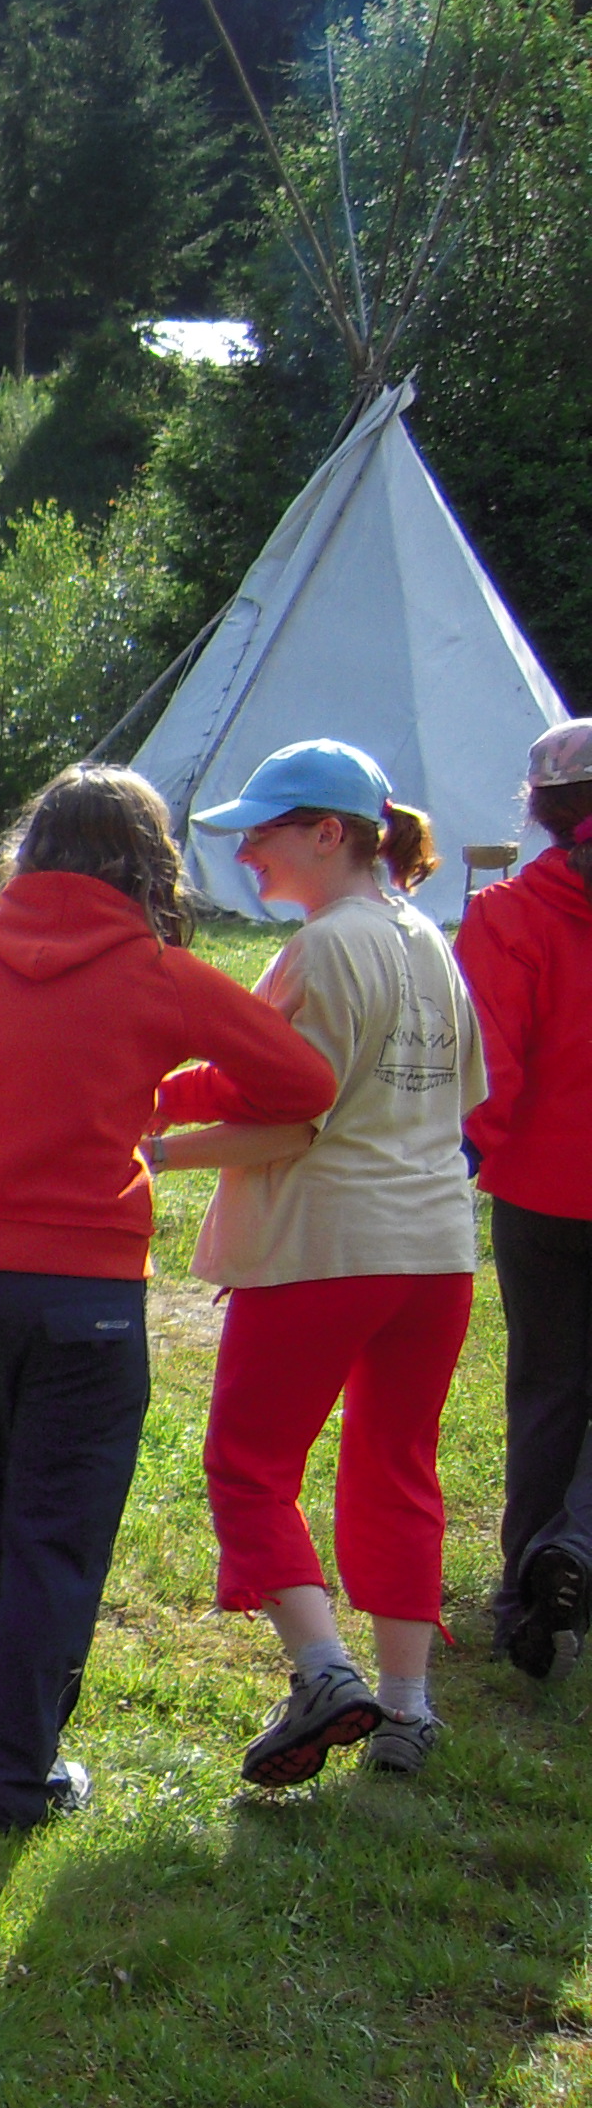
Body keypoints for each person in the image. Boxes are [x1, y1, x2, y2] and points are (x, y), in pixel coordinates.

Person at [0, 765, 337, 1831]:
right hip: (83, 1291)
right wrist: (156, 1087)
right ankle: (14, 1785)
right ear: (149, 864)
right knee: (56, 1526)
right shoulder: (161, 976)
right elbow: (303, 1085)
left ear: (32, 850)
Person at [157, 742, 484, 1784]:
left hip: (329, 1247)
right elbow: (461, 1099)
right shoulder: (426, 937)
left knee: (248, 1466)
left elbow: (293, 1114)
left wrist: (149, 1147)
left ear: (329, 833)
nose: (247, 850)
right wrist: (165, 1096)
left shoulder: (326, 944)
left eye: (264, 830)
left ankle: (323, 1673)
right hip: (435, 1251)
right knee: (397, 1468)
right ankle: (408, 1710)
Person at [457, 719, 592, 1678]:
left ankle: (524, 1593)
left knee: (547, 1389)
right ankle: (573, 1550)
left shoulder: (506, 913)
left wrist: (461, 1164)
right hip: (546, 1187)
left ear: (540, 810)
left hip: (543, 1194)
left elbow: (488, 1071)